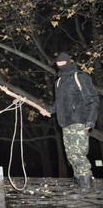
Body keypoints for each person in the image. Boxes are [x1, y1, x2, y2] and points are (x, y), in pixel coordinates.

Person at [41, 52, 100, 193]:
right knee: (71, 155)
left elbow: (93, 100)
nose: (60, 66)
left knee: (78, 153)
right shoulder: (59, 82)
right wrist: (49, 110)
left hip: (79, 121)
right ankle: (79, 183)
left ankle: (87, 185)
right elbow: (59, 104)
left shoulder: (79, 77)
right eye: (58, 64)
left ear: (69, 62)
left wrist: (91, 120)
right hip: (65, 123)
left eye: (63, 64)